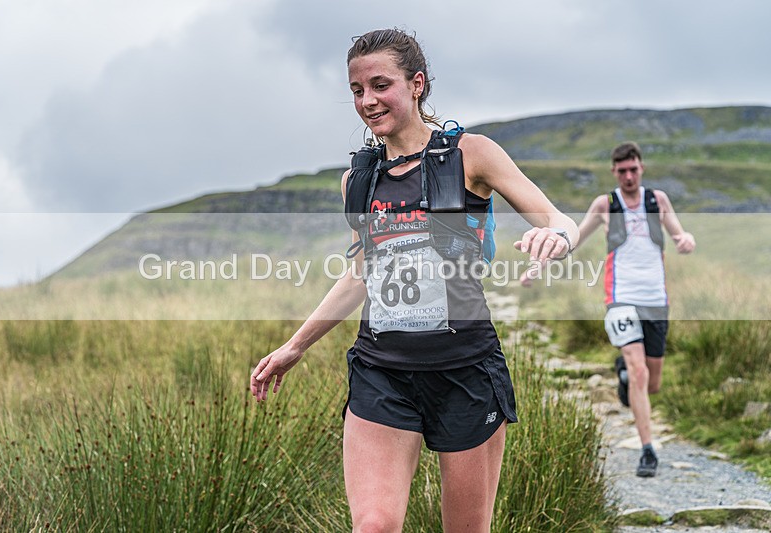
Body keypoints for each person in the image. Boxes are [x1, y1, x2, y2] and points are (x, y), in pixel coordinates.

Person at [250, 28, 578, 532]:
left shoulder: (472, 154)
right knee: (374, 526)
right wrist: (296, 346)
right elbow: (362, 273)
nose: (367, 100)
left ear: (417, 83)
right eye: (357, 90)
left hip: (465, 370)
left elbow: (559, 220)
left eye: (380, 85)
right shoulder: (357, 179)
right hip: (381, 372)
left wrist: (557, 238)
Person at [538, 141, 695, 477]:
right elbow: (573, 239)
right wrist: (546, 256)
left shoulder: (658, 200)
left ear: (641, 168)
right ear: (614, 171)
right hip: (620, 297)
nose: (628, 176)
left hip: (656, 300)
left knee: (651, 382)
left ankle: (622, 373)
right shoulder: (605, 204)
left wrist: (686, 240)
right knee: (640, 373)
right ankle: (648, 450)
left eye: (633, 169)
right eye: (622, 171)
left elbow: (680, 235)